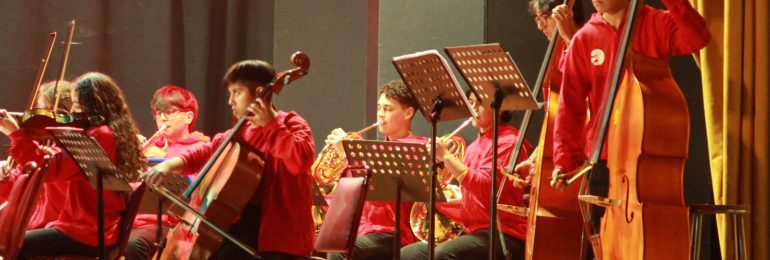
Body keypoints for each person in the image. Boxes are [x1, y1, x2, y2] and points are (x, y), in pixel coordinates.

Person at [549, 0, 709, 256]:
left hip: (649, 159)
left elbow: (696, 38)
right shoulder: (585, 38)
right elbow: (571, 105)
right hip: (602, 162)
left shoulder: (655, 22)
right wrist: (563, 160)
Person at [142, 60, 315, 259]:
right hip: (243, 231)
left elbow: (300, 160)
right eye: (230, 94)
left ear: (259, 92)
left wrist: (271, 125)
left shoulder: (291, 123)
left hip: (281, 237)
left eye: (237, 92)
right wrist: (168, 165)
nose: (230, 101)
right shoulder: (241, 131)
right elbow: (204, 153)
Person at [0, 72, 146, 258]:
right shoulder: (116, 133)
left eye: (77, 105)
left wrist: (16, 134)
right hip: (99, 230)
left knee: (16, 246)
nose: (73, 113)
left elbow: (50, 171)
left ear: (94, 105)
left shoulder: (100, 135)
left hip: (86, 232)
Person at [400, 90, 531, 259]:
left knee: (444, 255)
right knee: (408, 255)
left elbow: (486, 188)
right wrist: (439, 202)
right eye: (470, 102)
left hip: (503, 232)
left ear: (501, 108)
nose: (473, 107)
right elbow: (472, 203)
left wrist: (446, 156)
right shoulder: (472, 147)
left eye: (479, 103)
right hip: (474, 231)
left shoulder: (510, 142)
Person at [326, 80, 425, 260]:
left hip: (393, 235)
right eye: (379, 108)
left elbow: (378, 192)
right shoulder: (373, 150)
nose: (380, 114)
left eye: (388, 109)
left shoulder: (417, 147)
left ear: (408, 113)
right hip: (364, 229)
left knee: (341, 249)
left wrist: (347, 154)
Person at [124, 85, 210, 260]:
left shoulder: (201, 148)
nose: (162, 118)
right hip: (137, 221)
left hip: (172, 225)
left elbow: (194, 190)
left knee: (133, 244)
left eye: (169, 112)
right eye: (158, 113)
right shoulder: (152, 147)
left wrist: (163, 160)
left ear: (188, 116)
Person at [512, 0, 585, 186]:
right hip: (564, 154)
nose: (539, 26)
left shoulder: (587, 41)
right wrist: (535, 158)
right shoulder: (558, 51)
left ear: (566, 11)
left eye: (545, 17)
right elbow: (554, 118)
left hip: (583, 155)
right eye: (537, 18)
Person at [0, 80, 73, 230]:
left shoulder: (66, 154)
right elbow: (16, 193)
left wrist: (16, 135)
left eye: (43, 110)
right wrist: (4, 178)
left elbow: (42, 166)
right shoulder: (45, 150)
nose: (35, 119)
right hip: (31, 224)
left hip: (51, 227)